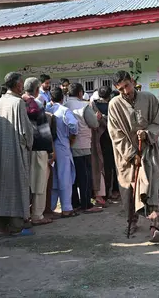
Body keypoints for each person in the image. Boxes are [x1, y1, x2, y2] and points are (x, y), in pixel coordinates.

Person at [108, 71, 159, 242]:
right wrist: (132, 154)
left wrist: (147, 134)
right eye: (121, 89)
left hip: (149, 151)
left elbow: (158, 122)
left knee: (152, 187)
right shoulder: (114, 105)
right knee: (129, 190)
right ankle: (131, 221)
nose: (125, 91)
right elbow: (116, 134)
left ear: (132, 81)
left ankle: (155, 225)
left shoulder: (149, 98)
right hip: (126, 157)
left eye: (127, 86)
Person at [0, 72, 34, 236]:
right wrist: (29, 143)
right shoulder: (18, 103)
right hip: (16, 151)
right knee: (17, 186)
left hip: (1, 151)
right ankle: (16, 224)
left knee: (1, 187)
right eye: (21, 83)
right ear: (17, 85)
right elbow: (26, 131)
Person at [64, 82, 103, 214]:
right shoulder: (84, 106)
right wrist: (97, 119)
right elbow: (94, 124)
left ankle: (74, 203)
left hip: (68, 145)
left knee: (73, 177)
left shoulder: (65, 105)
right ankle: (86, 204)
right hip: (83, 145)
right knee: (85, 176)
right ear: (80, 93)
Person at [23, 77, 55, 225]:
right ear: (37, 90)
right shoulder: (36, 104)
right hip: (38, 148)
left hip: (23, 149)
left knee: (27, 182)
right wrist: (50, 151)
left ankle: (24, 213)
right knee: (39, 183)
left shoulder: (19, 102)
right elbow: (43, 130)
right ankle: (37, 215)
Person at [47, 87, 79, 218]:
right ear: (62, 98)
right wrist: (72, 136)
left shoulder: (48, 110)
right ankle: (66, 208)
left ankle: (51, 207)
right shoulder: (64, 110)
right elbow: (74, 126)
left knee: (53, 177)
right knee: (65, 177)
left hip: (50, 147)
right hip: (63, 145)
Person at [93, 86, 120, 202]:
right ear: (109, 96)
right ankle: (113, 190)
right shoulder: (113, 105)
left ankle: (103, 192)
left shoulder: (93, 105)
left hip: (98, 139)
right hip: (111, 139)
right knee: (113, 166)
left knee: (102, 167)